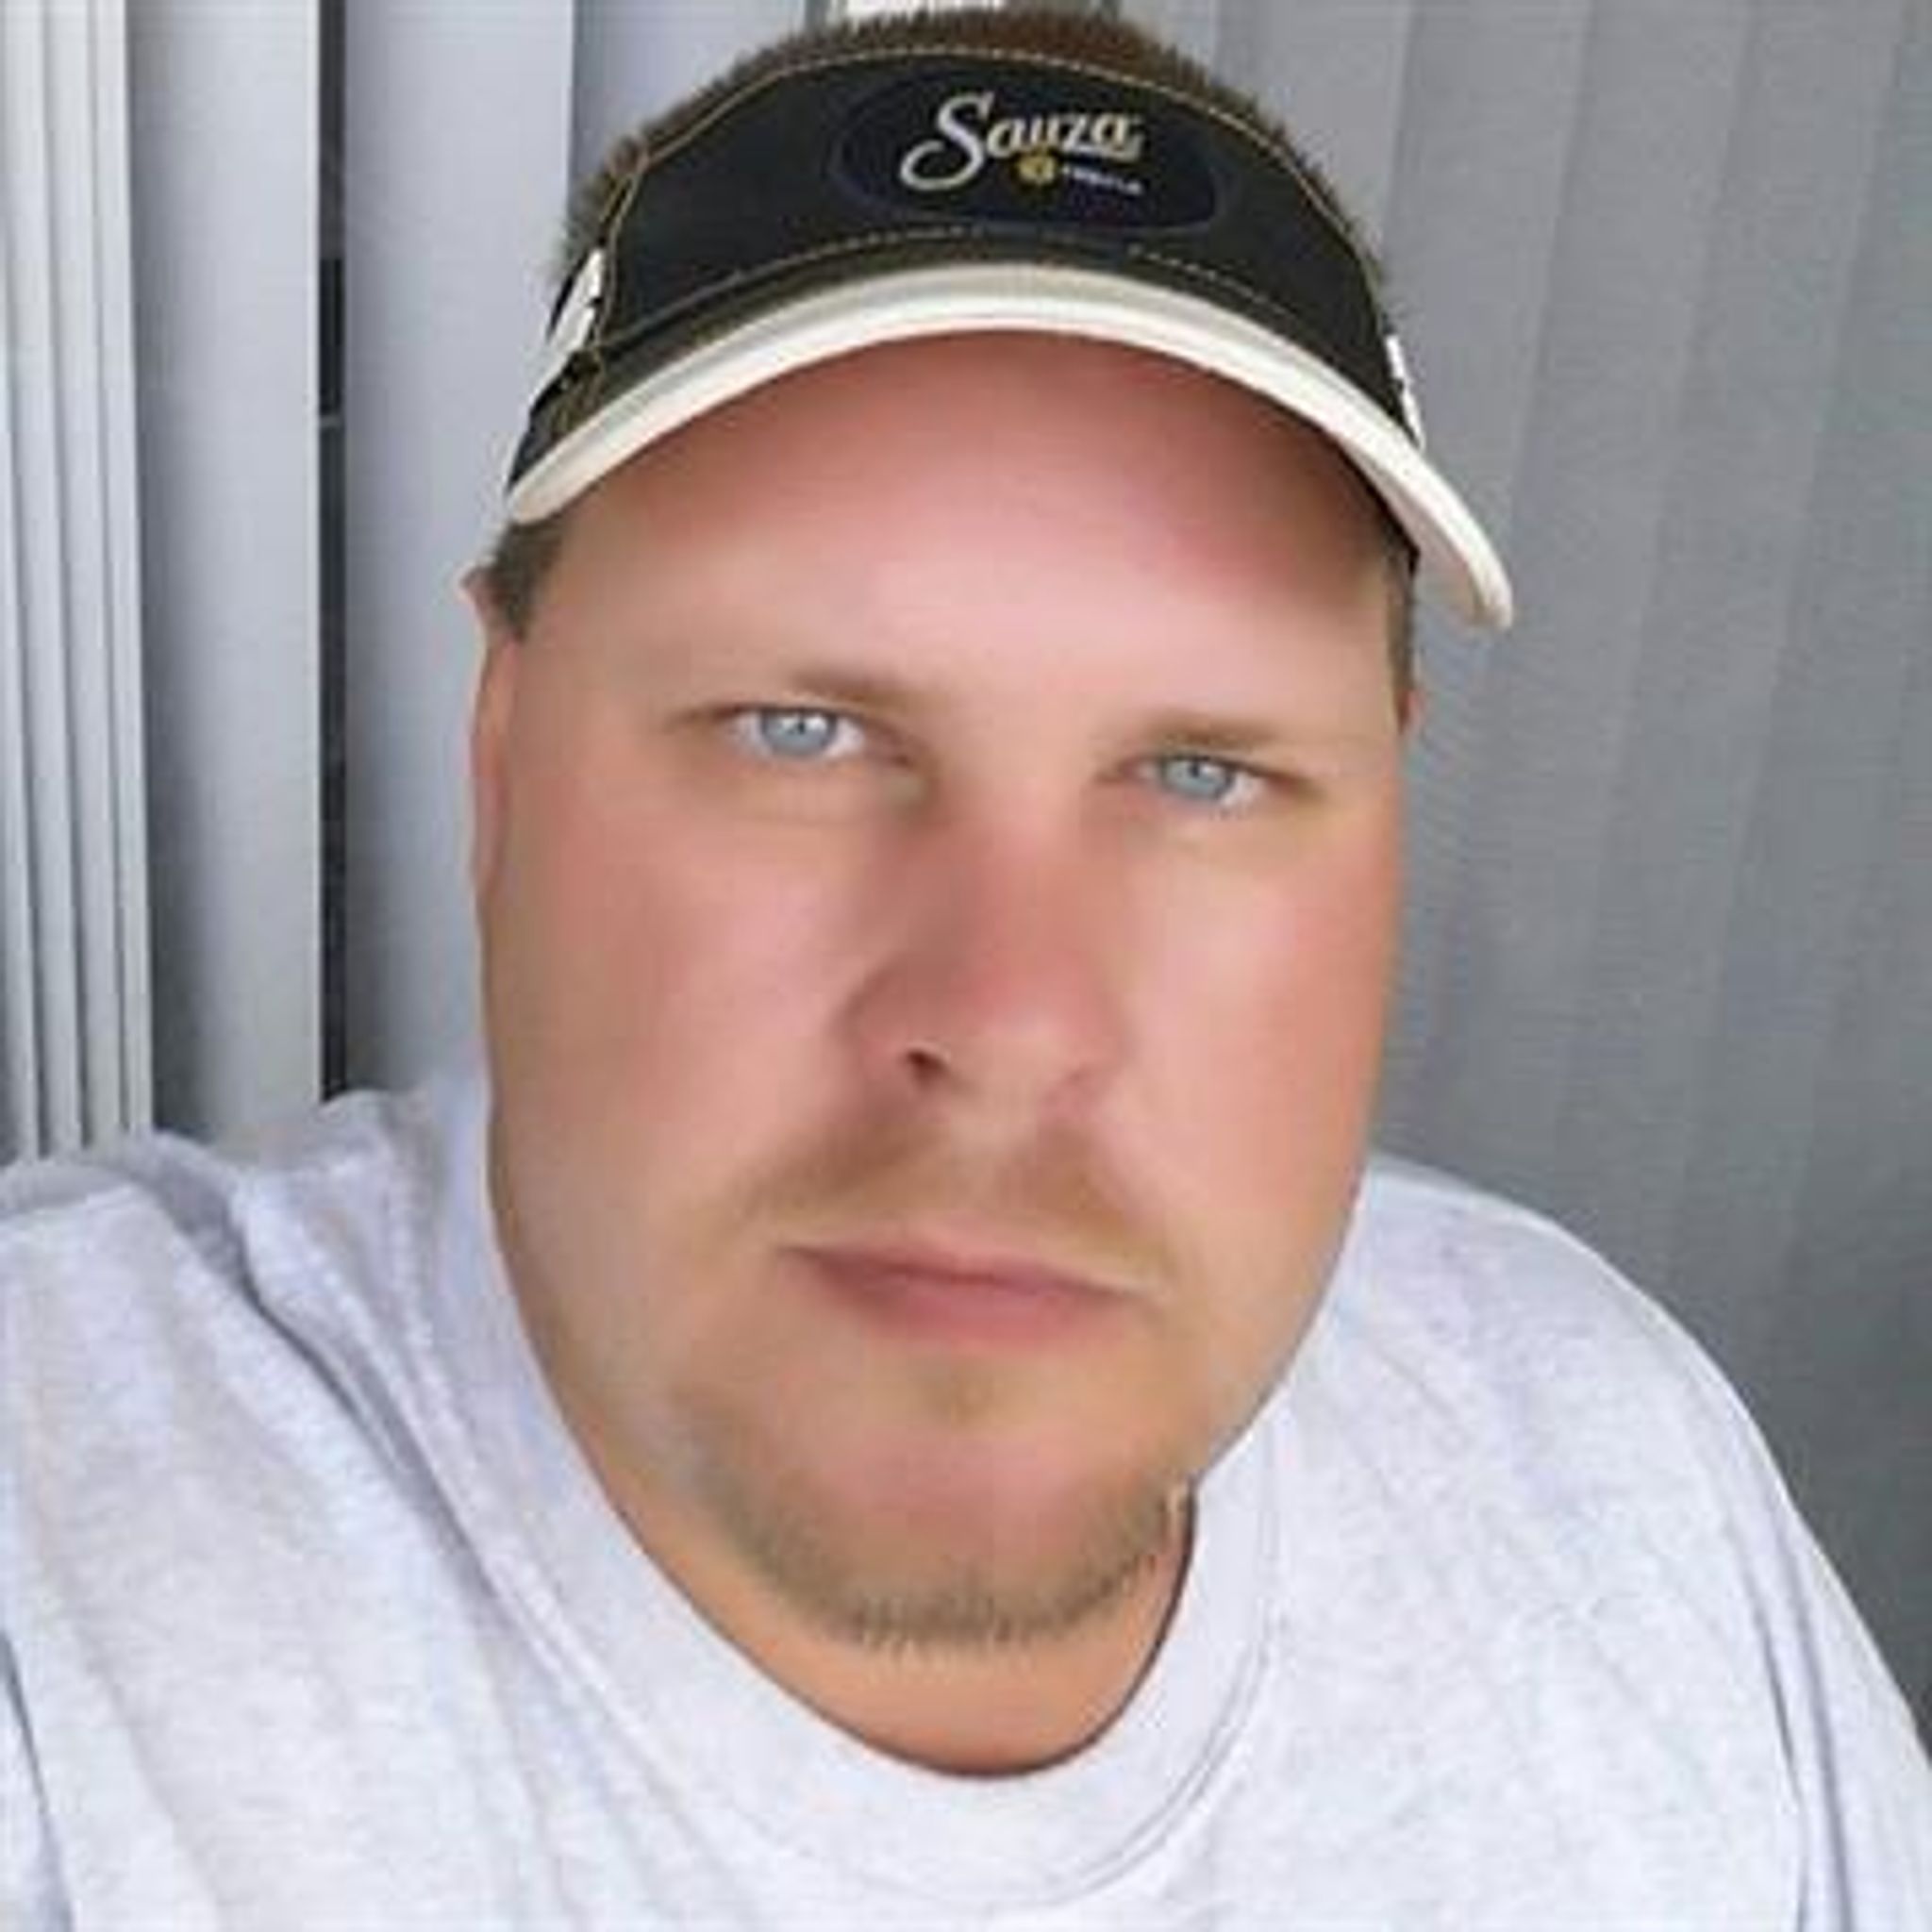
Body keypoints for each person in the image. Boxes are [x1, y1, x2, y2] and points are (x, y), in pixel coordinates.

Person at [3, 7, 1927, 1924]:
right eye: (800, 734)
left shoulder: (1610, 1464)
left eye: (1202, 771)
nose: (1008, 1024)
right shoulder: (64, 1582)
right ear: (502, 767)